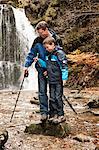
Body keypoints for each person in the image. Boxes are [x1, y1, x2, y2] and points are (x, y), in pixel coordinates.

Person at [24, 21, 62, 122]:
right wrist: (26, 66)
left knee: (54, 93)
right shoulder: (37, 41)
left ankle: (54, 113)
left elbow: (59, 56)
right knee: (42, 92)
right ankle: (44, 113)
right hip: (41, 69)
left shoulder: (56, 39)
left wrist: (51, 70)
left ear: (46, 30)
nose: (39, 35)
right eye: (38, 33)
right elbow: (31, 54)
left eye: (41, 33)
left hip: (53, 71)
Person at [37, 36, 68, 123]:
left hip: (58, 80)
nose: (46, 49)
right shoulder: (48, 55)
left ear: (53, 44)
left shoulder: (59, 54)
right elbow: (47, 65)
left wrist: (64, 79)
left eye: (47, 47)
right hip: (51, 80)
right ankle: (54, 114)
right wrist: (39, 61)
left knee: (58, 97)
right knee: (52, 98)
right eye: (45, 48)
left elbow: (64, 67)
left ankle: (61, 115)